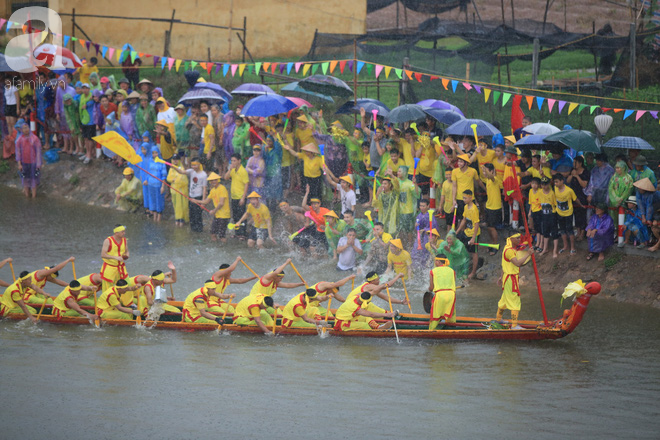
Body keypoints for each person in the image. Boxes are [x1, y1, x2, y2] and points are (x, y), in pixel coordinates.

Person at [496, 233, 532, 329]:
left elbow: (504, 265)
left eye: (519, 238)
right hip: (511, 279)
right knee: (515, 301)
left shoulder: (507, 248)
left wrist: (501, 277)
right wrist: (528, 254)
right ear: (511, 239)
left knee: (504, 300)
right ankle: (514, 325)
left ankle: (498, 319)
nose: (519, 239)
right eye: (517, 238)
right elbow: (517, 263)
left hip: (507, 278)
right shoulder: (509, 251)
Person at [173, 158, 207, 232]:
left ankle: (199, 231)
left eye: (195, 165)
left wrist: (203, 202)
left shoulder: (203, 175)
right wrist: (174, 167)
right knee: (191, 215)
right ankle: (193, 230)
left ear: (199, 164)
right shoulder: (191, 171)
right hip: (191, 196)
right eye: (192, 165)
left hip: (198, 197)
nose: (193, 167)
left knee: (197, 215)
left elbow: (204, 189)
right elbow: (181, 172)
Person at [196, 172, 230, 243]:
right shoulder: (212, 190)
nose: (213, 182)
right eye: (211, 180)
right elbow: (206, 201)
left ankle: (225, 248)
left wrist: (214, 211)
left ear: (218, 180)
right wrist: (195, 200)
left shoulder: (222, 188)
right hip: (217, 215)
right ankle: (217, 247)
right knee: (213, 233)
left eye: (215, 180)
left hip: (224, 216)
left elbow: (221, 203)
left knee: (221, 236)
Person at [391, 165, 419, 248]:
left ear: (405, 173)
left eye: (400, 171)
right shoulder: (396, 181)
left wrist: (415, 183)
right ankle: (401, 244)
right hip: (398, 210)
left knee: (408, 230)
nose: (398, 173)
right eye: (398, 171)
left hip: (407, 211)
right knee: (399, 229)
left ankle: (410, 245)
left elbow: (417, 194)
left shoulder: (410, 183)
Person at [554, 173, 582, 255]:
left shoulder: (569, 190)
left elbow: (575, 199)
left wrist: (581, 205)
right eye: (554, 182)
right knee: (562, 230)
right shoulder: (555, 188)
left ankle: (572, 247)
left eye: (557, 182)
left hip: (568, 213)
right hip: (559, 212)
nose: (555, 184)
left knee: (570, 230)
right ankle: (565, 246)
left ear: (562, 181)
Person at [455, 190, 480, 279]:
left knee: (474, 252)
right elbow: (464, 220)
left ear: (470, 198)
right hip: (466, 232)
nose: (463, 200)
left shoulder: (474, 209)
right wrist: (456, 232)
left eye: (465, 198)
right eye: (463, 198)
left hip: (473, 234)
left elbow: (476, 224)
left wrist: (473, 238)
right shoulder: (466, 207)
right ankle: (460, 267)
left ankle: (473, 272)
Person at [224, 153, 249, 239]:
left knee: (241, 216)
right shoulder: (233, 170)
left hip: (241, 197)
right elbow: (225, 178)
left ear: (239, 161)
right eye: (232, 161)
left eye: (234, 161)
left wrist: (243, 198)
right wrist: (230, 169)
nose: (233, 162)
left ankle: (243, 233)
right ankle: (237, 233)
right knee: (235, 216)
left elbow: (246, 184)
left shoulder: (243, 171)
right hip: (234, 197)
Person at [428, 254, 456, 329]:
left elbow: (431, 287)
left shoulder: (432, 271)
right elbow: (453, 283)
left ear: (438, 262)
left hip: (440, 295)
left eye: (435, 261)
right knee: (451, 313)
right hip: (451, 295)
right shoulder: (452, 271)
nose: (434, 262)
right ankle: (452, 329)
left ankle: (431, 331)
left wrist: (429, 289)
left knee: (435, 316)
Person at [15, 121, 42, 198]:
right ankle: (27, 196)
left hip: (33, 163)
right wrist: (19, 164)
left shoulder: (35, 139)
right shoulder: (19, 140)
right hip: (24, 163)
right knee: (25, 180)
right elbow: (18, 153)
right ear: (21, 130)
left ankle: (34, 197)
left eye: (27, 128)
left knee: (33, 180)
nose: (26, 129)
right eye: (23, 128)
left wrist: (38, 163)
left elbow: (38, 152)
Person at [451, 154, 482, 223]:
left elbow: (478, 181)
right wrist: (454, 200)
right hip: (460, 198)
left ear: (466, 163)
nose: (459, 163)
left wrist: (485, 189)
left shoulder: (473, 171)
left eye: (461, 162)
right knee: (461, 219)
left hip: (470, 198)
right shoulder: (454, 171)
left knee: (471, 219)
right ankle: (462, 232)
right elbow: (454, 186)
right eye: (458, 161)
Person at [100, 225, 129, 292]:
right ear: (116, 233)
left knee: (127, 285)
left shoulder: (124, 240)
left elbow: (127, 251)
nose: (124, 233)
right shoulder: (108, 241)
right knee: (108, 289)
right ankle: (107, 301)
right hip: (110, 268)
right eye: (122, 232)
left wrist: (127, 255)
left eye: (124, 231)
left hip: (121, 268)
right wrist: (116, 258)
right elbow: (103, 254)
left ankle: (126, 301)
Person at [567, 156, 590, 241]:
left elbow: (584, 184)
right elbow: (568, 181)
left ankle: (582, 233)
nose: (574, 164)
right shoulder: (572, 170)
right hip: (573, 195)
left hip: (582, 195)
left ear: (580, 163)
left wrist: (577, 176)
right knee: (576, 214)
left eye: (575, 162)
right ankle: (578, 231)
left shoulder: (585, 172)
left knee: (582, 215)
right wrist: (572, 174)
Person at [481, 163, 502, 254]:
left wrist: (485, 170)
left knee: (492, 227)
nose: (484, 173)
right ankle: (492, 242)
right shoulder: (487, 180)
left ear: (492, 171)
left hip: (495, 208)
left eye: (486, 171)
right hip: (489, 207)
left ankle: (495, 245)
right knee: (489, 227)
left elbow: (492, 177)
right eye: (483, 171)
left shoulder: (495, 180)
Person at [411, 198, 439, 265]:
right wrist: (416, 226)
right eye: (420, 206)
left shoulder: (430, 215)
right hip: (420, 236)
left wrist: (425, 230)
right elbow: (417, 227)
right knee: (416, 250)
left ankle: (426, 265)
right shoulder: (419, 215)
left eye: (423, 206)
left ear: (428, 206)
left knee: (426, 251)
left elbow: (434, 227)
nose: (422, 207)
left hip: (428, 236)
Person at [144, 145, 167, 221]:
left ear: (158, 153)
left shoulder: (161, 162)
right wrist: (146, 180)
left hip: (158, 185)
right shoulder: (150, 161)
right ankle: (154, 217)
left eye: (156, 153)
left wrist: (163, 186)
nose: (154, 154)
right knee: (152, 200)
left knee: (159, 200)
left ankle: (159, 217)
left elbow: (164, 175)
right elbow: (148, 172)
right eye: (153, 153)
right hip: (151, 184)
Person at [538, 177, 559, 258]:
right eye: (542, 185)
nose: (544, 186)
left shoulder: (552, 193)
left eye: (546, 184)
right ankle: (545, 248)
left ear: (549, 184)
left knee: (554, 232)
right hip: (544, 214)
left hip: (552, 214)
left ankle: (555, 250)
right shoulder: (540, 192)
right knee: (545, 232)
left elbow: (555, 204)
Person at [166, 153, 189, 226]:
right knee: (175, 205)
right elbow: (168, 178)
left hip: (181, 191)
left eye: (176, 160)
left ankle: (181, 219)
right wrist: (173, 180)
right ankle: (178, 218)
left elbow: (184, 181)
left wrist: (175, 180)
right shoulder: (171, 169)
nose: (175, 161)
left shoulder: (181, 169)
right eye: (174, 160)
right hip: (174, 191)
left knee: (182, 205)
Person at [608, 160, 634, 225]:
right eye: (616, 168)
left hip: (623, 204)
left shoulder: (629, 178)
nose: (616, 169)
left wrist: (621, 199)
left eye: (618, 168)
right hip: (613, 203)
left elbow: (628, 190)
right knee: (613, 220)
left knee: (622, 221)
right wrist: (615, 199)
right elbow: (610, 188)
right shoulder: (614, 177)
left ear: (623, 168)